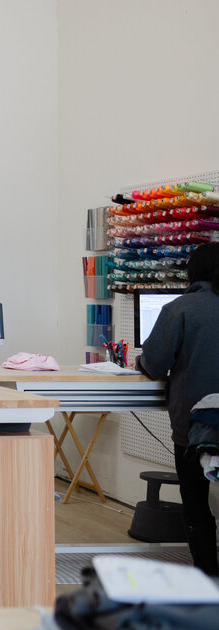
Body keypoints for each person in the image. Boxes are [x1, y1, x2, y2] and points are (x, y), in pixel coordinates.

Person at [137, 242, 219, 577]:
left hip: (195, 426)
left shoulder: (180, 309)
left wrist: (141, 361)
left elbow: (155, 365)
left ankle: (206, 575)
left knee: (197, 503)